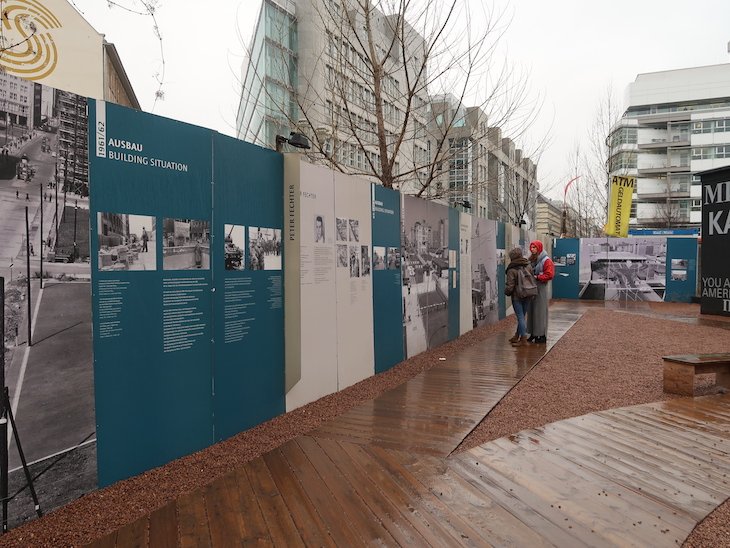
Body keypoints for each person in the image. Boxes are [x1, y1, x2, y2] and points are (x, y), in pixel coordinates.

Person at [526, 239, 554, 344]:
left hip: (540, 287)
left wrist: (538, 277)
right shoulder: (531, 259)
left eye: (534, 247)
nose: (532, 249)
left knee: (540, 311)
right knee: (531, 311)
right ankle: (533, 333)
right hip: (531, 287)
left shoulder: (546, 260)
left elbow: (550, 274)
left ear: (539, 248)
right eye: (531, 247)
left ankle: (541, 334)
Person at [504, 247, 533, 347]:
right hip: (528, 294)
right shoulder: (528, 265)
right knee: (522, 316)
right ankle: (517, 336)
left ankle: (524, 340)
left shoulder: (511, 269)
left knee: (520, 317)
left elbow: (510, 286)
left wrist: (506, 292)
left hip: (517, 296)